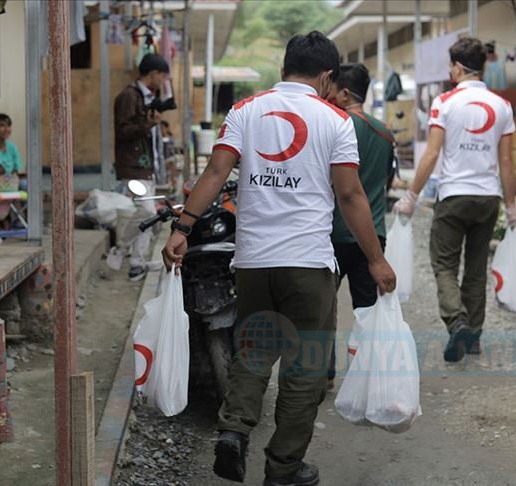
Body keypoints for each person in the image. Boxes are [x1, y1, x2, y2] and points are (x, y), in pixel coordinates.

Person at [162, 32, 396, 485]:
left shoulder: (246, 110)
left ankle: (233, 431)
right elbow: (349, 195)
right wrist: (375, 260)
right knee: (305, 367)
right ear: (328, 77)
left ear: (285, 67)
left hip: (252, 261)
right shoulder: (334, 119)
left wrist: (182, 228)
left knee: (253, 350)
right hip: (307, 262)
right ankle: (283, 468)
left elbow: (215, 172)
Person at [395, 37, 516, 362]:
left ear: (457, 67)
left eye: (450, 66)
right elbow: (506, 162)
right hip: (488, 199)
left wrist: (412, 194)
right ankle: (474, 337)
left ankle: (457, 322)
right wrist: (512, 204)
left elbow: (432, 153)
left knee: (444, 264)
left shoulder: (445, 102)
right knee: (476, 268)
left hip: (453, 196)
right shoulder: (501, 106)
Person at [326, 63, 395, 389]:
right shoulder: (384, 132)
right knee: (366, 308)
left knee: (323, 308)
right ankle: (366, 376)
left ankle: (322, 375)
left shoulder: (335, 124)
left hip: (334, 232)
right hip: (372, 235)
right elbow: (385, 182)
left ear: (344, 92)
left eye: (331, 89)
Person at [114, 53, 169, 281]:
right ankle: (120, 247)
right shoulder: (129, 96)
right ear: (153, 73)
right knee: (147, 212)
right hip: (133, 166)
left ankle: (138, 263)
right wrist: (150, 123)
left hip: (146, 166)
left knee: (149, 215)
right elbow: (123, 131)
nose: (163, 81)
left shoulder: (147, 97)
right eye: (163, 76)